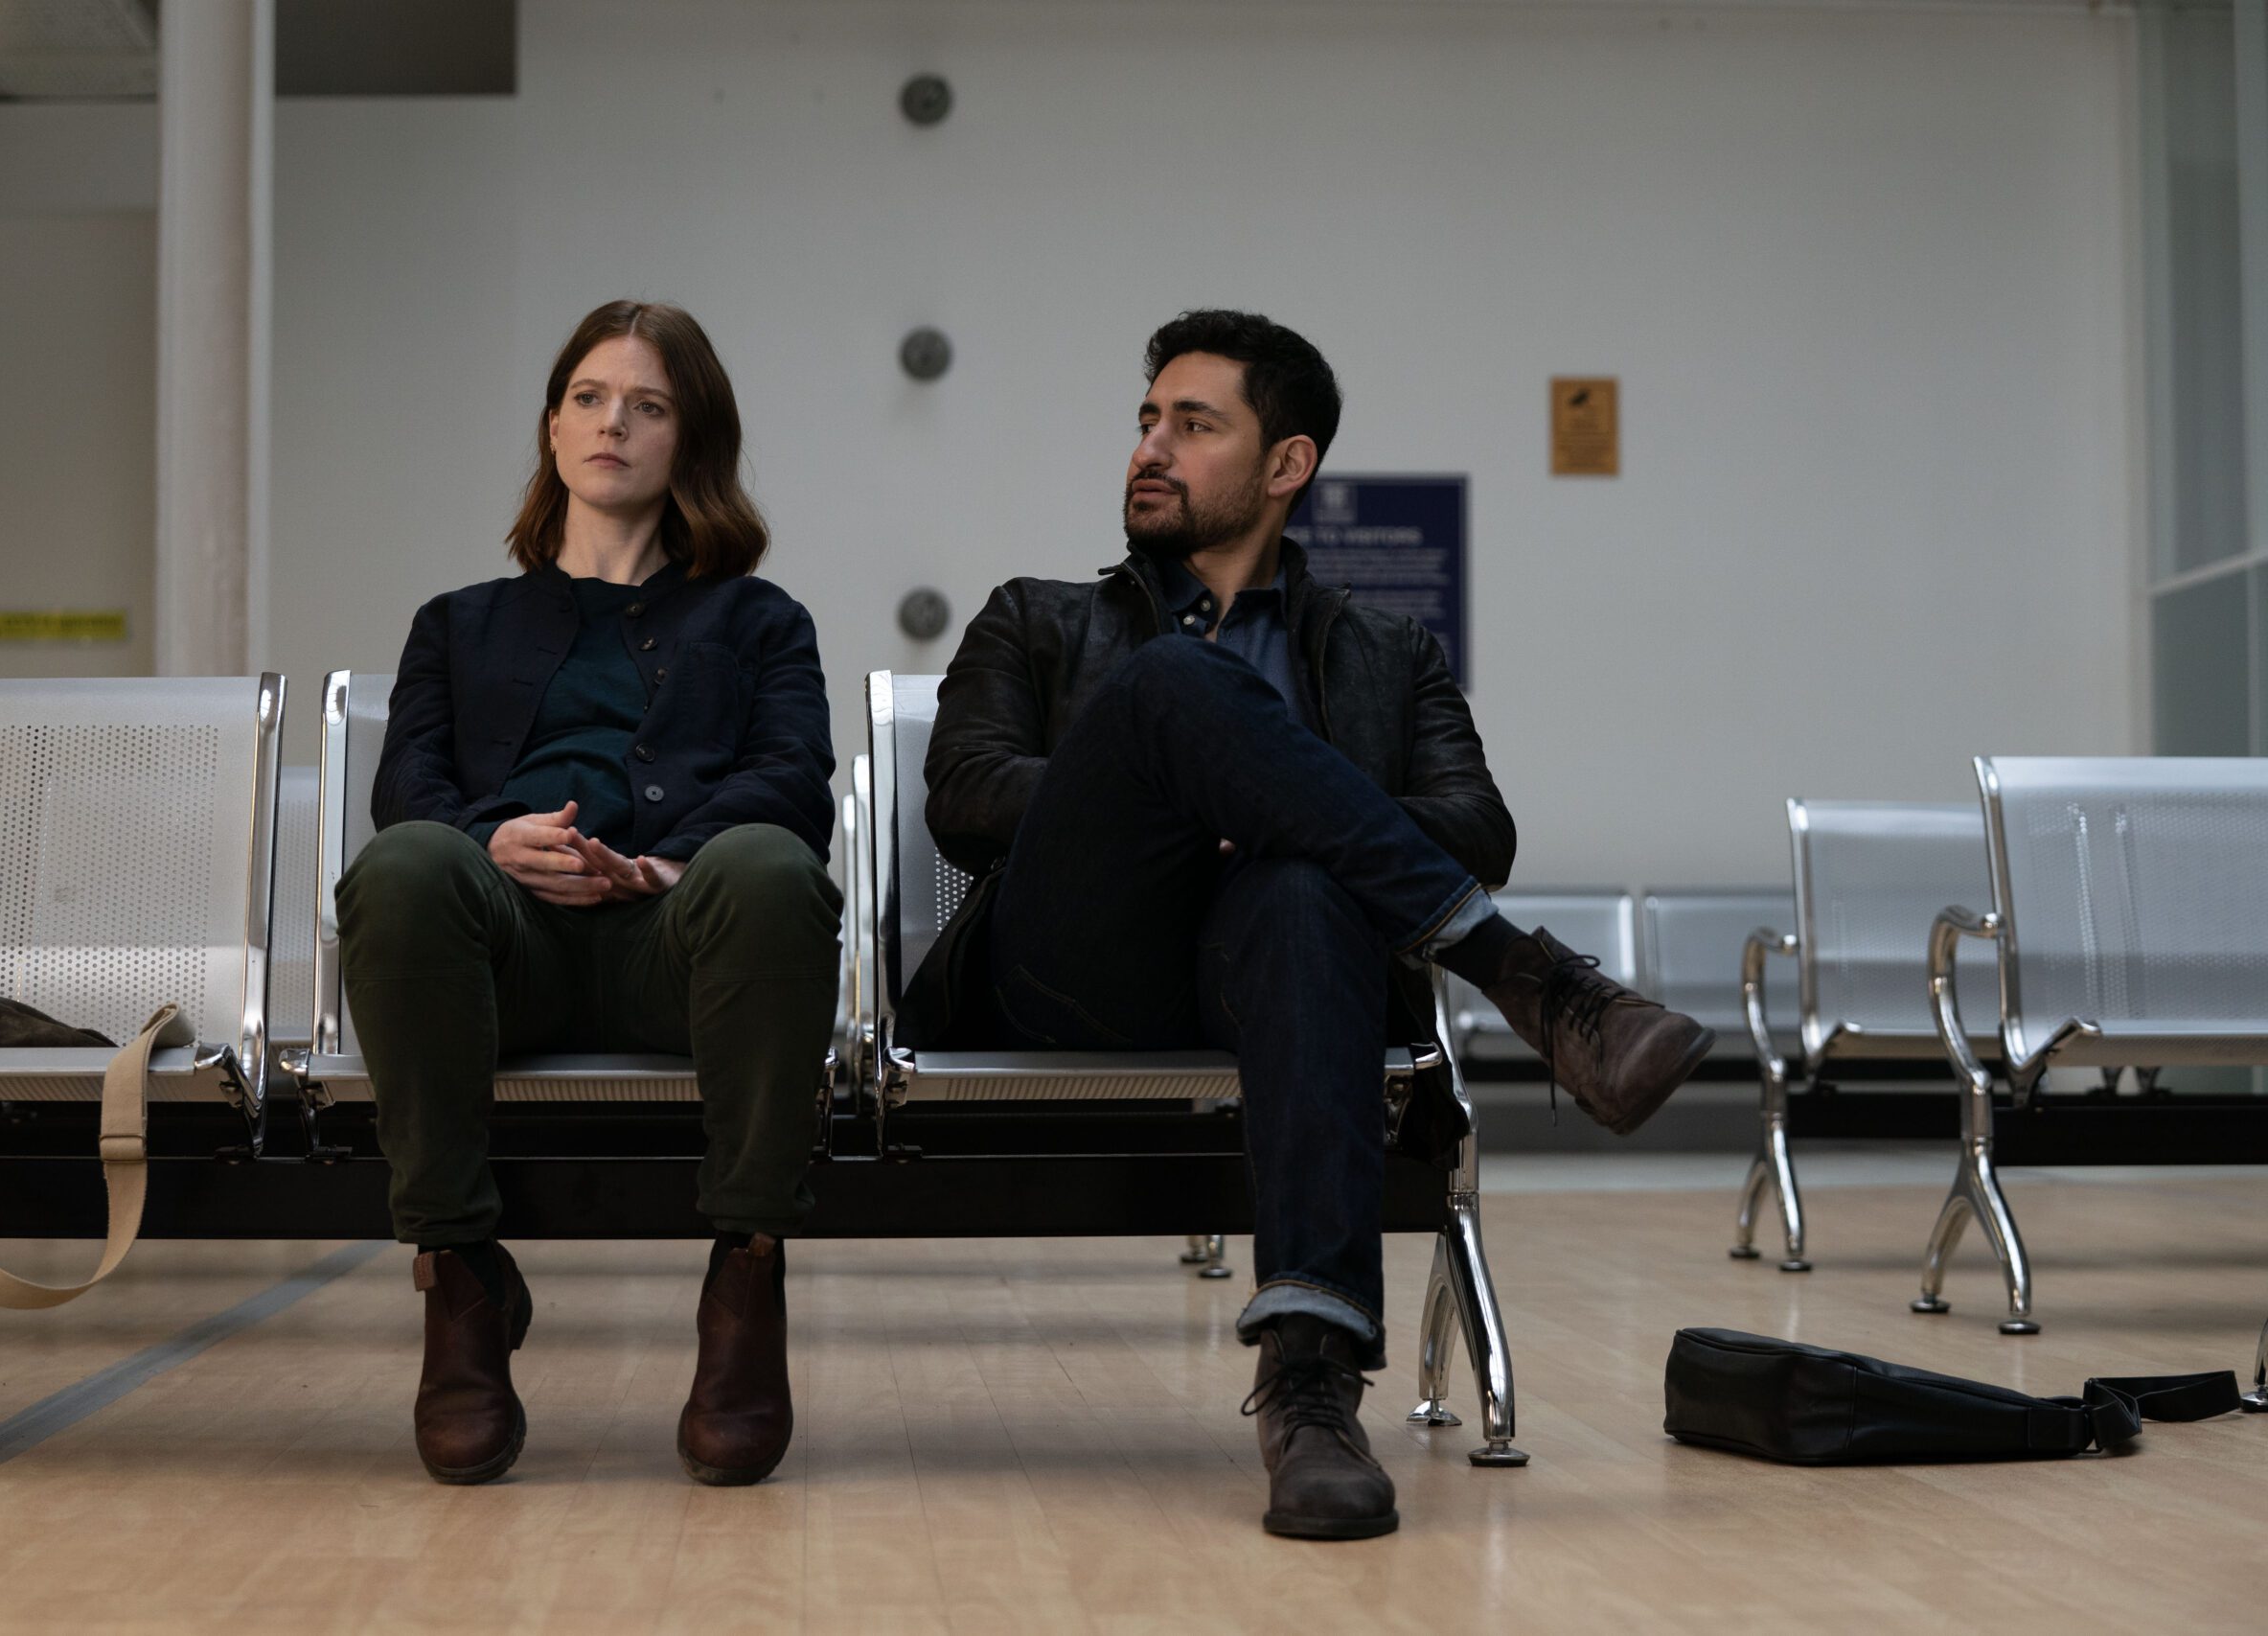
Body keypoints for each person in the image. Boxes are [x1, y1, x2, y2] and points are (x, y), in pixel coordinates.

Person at [906, 310, 1713, 1539]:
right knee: (1175, 692)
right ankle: (1530, 981)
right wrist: (1179, 789)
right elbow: (963, 795)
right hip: (1072, 967)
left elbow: (1475, 824)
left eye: (1192, 424)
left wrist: (1278, 814)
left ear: (1287, 466)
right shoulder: (1037, 616)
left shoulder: (1390, 650)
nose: (1149, 450)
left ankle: (1311, 1387)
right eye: (1144, 423)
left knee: (1295, 891)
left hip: (1280, 978)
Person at [336, 300, 840, 1489]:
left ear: (689, 443)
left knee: (770, 867)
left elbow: (792, 784)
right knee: (407, 866)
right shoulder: (455, 625)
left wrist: (662, 864)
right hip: (504, 952)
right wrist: (493, 840)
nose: (613, 421)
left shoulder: (760, 622)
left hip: (679, 946)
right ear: (554, 428)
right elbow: (407, 788)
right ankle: (458, 1275)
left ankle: (747, 1275)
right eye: (588, 398)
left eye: (648, 405)